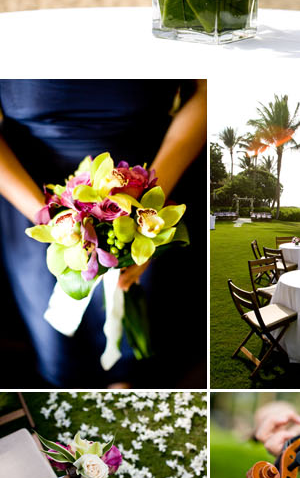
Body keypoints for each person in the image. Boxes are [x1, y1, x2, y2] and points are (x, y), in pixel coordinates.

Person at [0, 79, 207, 386]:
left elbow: (205, 92)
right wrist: (53, 220)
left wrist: (144, 206)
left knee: (142, 340)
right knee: (61, 347)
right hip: (31, 196)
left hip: (152, 180)